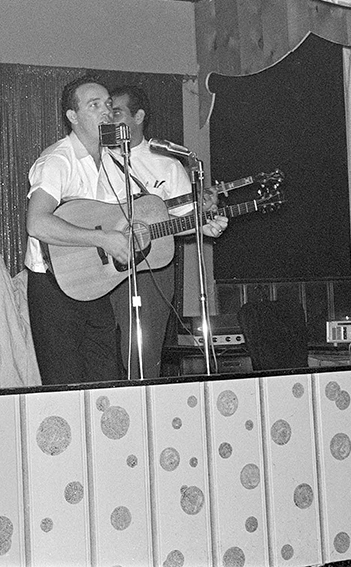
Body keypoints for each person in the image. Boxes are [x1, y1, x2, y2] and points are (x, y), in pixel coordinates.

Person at [24, 76, 226, 385]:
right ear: (73, 117)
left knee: (108, 384)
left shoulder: (114, 161)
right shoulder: (57, 161)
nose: (106, 111)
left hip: (96, 287)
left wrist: (198, 226)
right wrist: (102, 238)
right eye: (94, 105)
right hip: (54, 287)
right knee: (65, 388)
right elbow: (37, 222)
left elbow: (138, 224)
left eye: (107, 104)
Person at [106, 85, 227, 379]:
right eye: (108, 112)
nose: (109, 118)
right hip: (103, 267)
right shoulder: (96, 161)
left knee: (143, 353)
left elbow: (185, 218)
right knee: (106, 349)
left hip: (152, 268)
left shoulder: (168, 164)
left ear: (139, 116)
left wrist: (207, 224)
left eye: (117, 112)